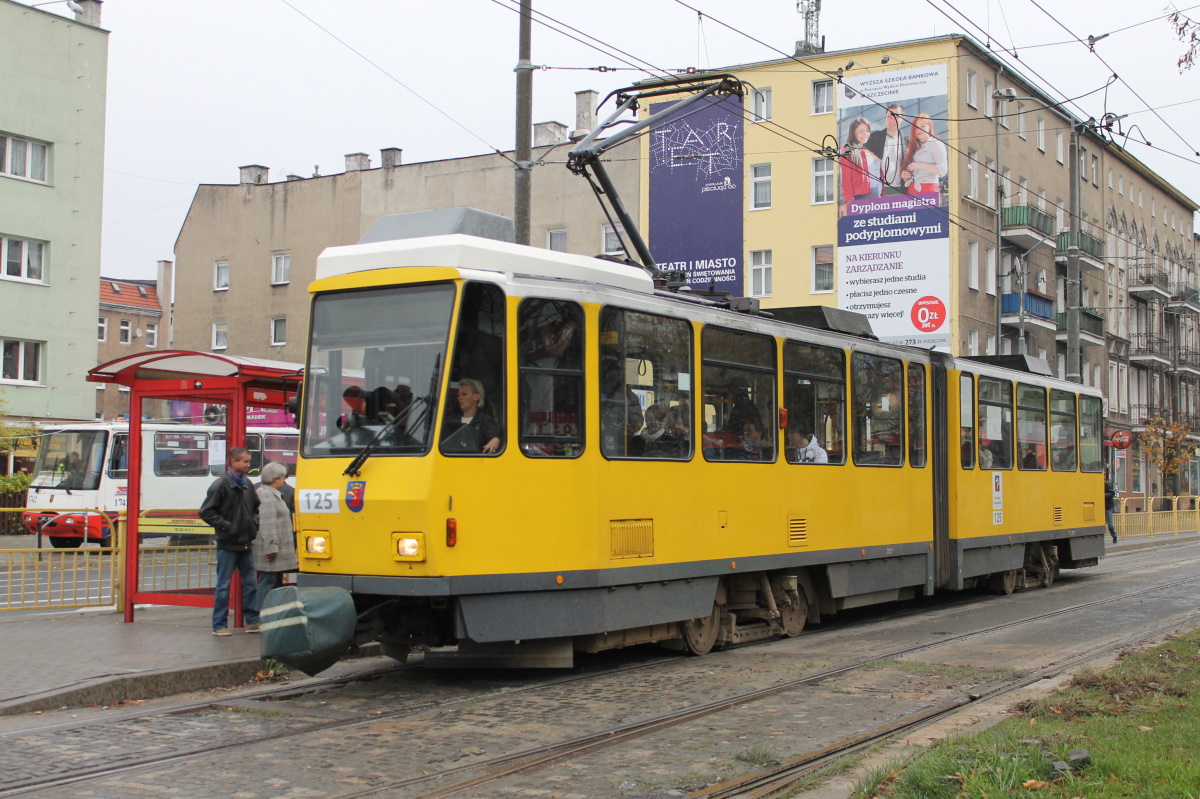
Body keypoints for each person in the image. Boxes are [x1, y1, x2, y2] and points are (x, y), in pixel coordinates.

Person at [199, 446, 260, 636]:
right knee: (223, 586)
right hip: (228, 543)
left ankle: (252, 622)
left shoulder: (247, 484)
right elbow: (206, 512)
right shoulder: (220, 485)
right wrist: (228, 527)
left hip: (244, 542)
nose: (248, 465)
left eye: (248, 461)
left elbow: (255, 508)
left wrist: (253, 525)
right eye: (245, 461)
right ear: (233, 462)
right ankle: (219, 625)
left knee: (251, 583)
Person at [254, 461, 298, 600]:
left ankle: (271, 611)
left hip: (277, 548)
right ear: (275, 478)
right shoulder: (266, 495)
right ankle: (261, 610)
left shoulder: (272, 494)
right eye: (283, 477)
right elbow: (267, 524)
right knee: (268, 582)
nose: (284, 481)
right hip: (273, 550)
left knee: (275, 583)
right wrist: (271, 548)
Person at [443, 378, 502, 453]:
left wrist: (495, 440)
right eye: (459, 395)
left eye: (464, 394)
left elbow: (495, 437)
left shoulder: (486, 421)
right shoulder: (451, 420)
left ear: (476, 396)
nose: (459, 398)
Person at [900, 113, 948, 195]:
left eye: (922, 126)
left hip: (929, 189)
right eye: (916, 128)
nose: (919, 130)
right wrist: (905, 177)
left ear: (929, 127)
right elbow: (913, 172)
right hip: (912, 189)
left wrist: (920, 165)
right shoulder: (913, 148)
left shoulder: (936, 144)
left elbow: (943, 170)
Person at [866, 104, 909, 195]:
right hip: (878, 191)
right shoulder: (874, 138)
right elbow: (859, 152)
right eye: (889, 117)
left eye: (896, 116)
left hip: (900, 192)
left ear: (903, 118)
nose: (892, 120)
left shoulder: (906, 142)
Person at [840, 117, 882, 208]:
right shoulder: (848, 152)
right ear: (853, 133)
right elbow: (846, 180)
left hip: (878, 197)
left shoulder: (870, 152)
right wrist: (850, 203)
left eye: (867, 131)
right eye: (861, 131)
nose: (865, 134)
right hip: (863, 198)